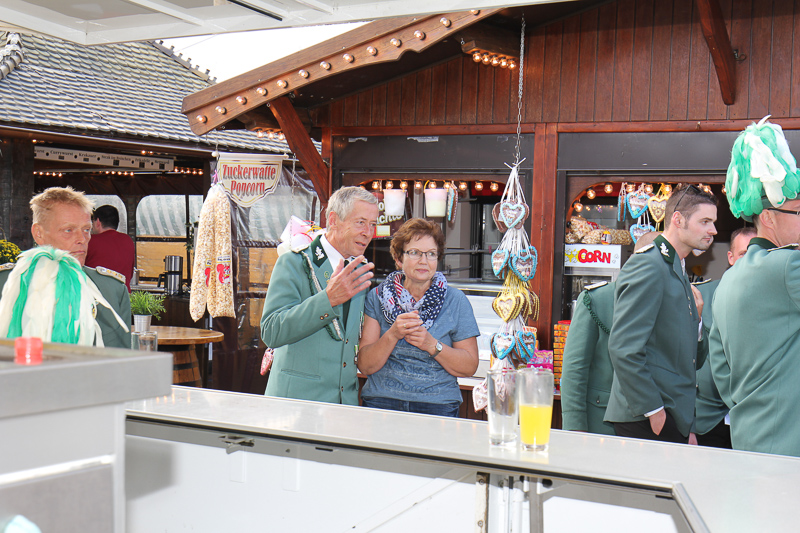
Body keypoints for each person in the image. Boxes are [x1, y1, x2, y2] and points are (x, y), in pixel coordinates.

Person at [709, 117, 800, 457]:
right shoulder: (787, 266)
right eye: (798, 211)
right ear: (768, 217)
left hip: (749, 435)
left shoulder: (728, 279)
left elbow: (720, 369)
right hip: (789, 444)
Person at [605, 184, 717, 444]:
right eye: (705, 221)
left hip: (671, 415)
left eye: (713, 222)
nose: (713, 230)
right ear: (678, 219)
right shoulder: (649, 264)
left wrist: (698, 321)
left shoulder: (675, 267)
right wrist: (654, 411)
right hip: (646, 417)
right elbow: (623, 347)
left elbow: (691, 359)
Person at [261, 186, 378, 405]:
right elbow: (271, 331)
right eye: (360, 222)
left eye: (373, 224)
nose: (368, 232)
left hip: (343, 406)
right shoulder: (294, 262)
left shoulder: (359, 272)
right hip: (296, 405)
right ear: (333, 220)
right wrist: (328, 300)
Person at [357, 218, 479, 417]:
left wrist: (432, 344)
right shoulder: (377, 297)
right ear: (399, 259)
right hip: (382, 402)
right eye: (414, 252)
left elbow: (469, 366)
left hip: (437, 406)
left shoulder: (455, 300)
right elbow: (365, 365)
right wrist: (392, 335)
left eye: (431, 254)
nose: (424, 261)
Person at [0, 187, 131, 348]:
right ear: (38, 233)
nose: (82, 239)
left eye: (86, 230)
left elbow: (124, 360)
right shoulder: (5, 284)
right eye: (68, 230)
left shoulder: (112, 291)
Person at [561, 231, 660, 435]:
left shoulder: (675, 303)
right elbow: (574, 368)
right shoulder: (597, 299)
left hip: (655, 425)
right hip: (603, 424)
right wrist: (574, 427)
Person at [693, 226, 756, 449]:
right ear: (730, 257)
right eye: (743, 254)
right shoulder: (701, 295)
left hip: (756, 420)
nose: (751, 260)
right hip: (708, 420)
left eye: (757, 253)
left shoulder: (780, 298)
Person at [86, 205, 136, 291]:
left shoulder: (90, 241)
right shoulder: (128, 241)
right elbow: (130, 274)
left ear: (98, 222)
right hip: (122, 295)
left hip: (96, 295)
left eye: (92, 221)